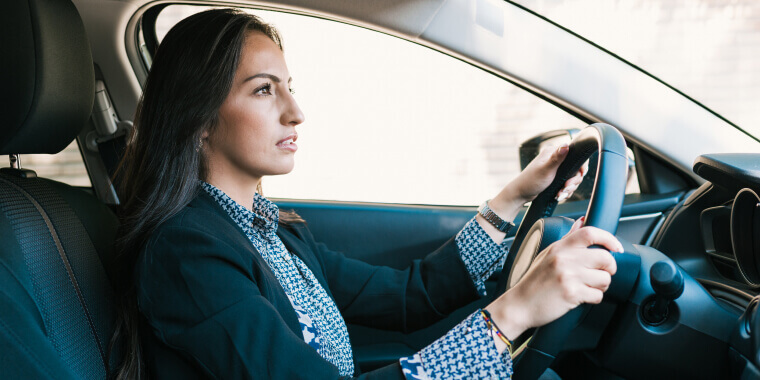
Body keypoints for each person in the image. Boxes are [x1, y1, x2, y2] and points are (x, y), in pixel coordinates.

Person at [112, 8, 622, 380]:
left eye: (290, 85)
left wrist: (514, 196)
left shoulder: (272, 231)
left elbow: (410, 296)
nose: (296, 111)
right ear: (198, 120)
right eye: (265, 90)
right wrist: (514, 314)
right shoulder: (185, 254)